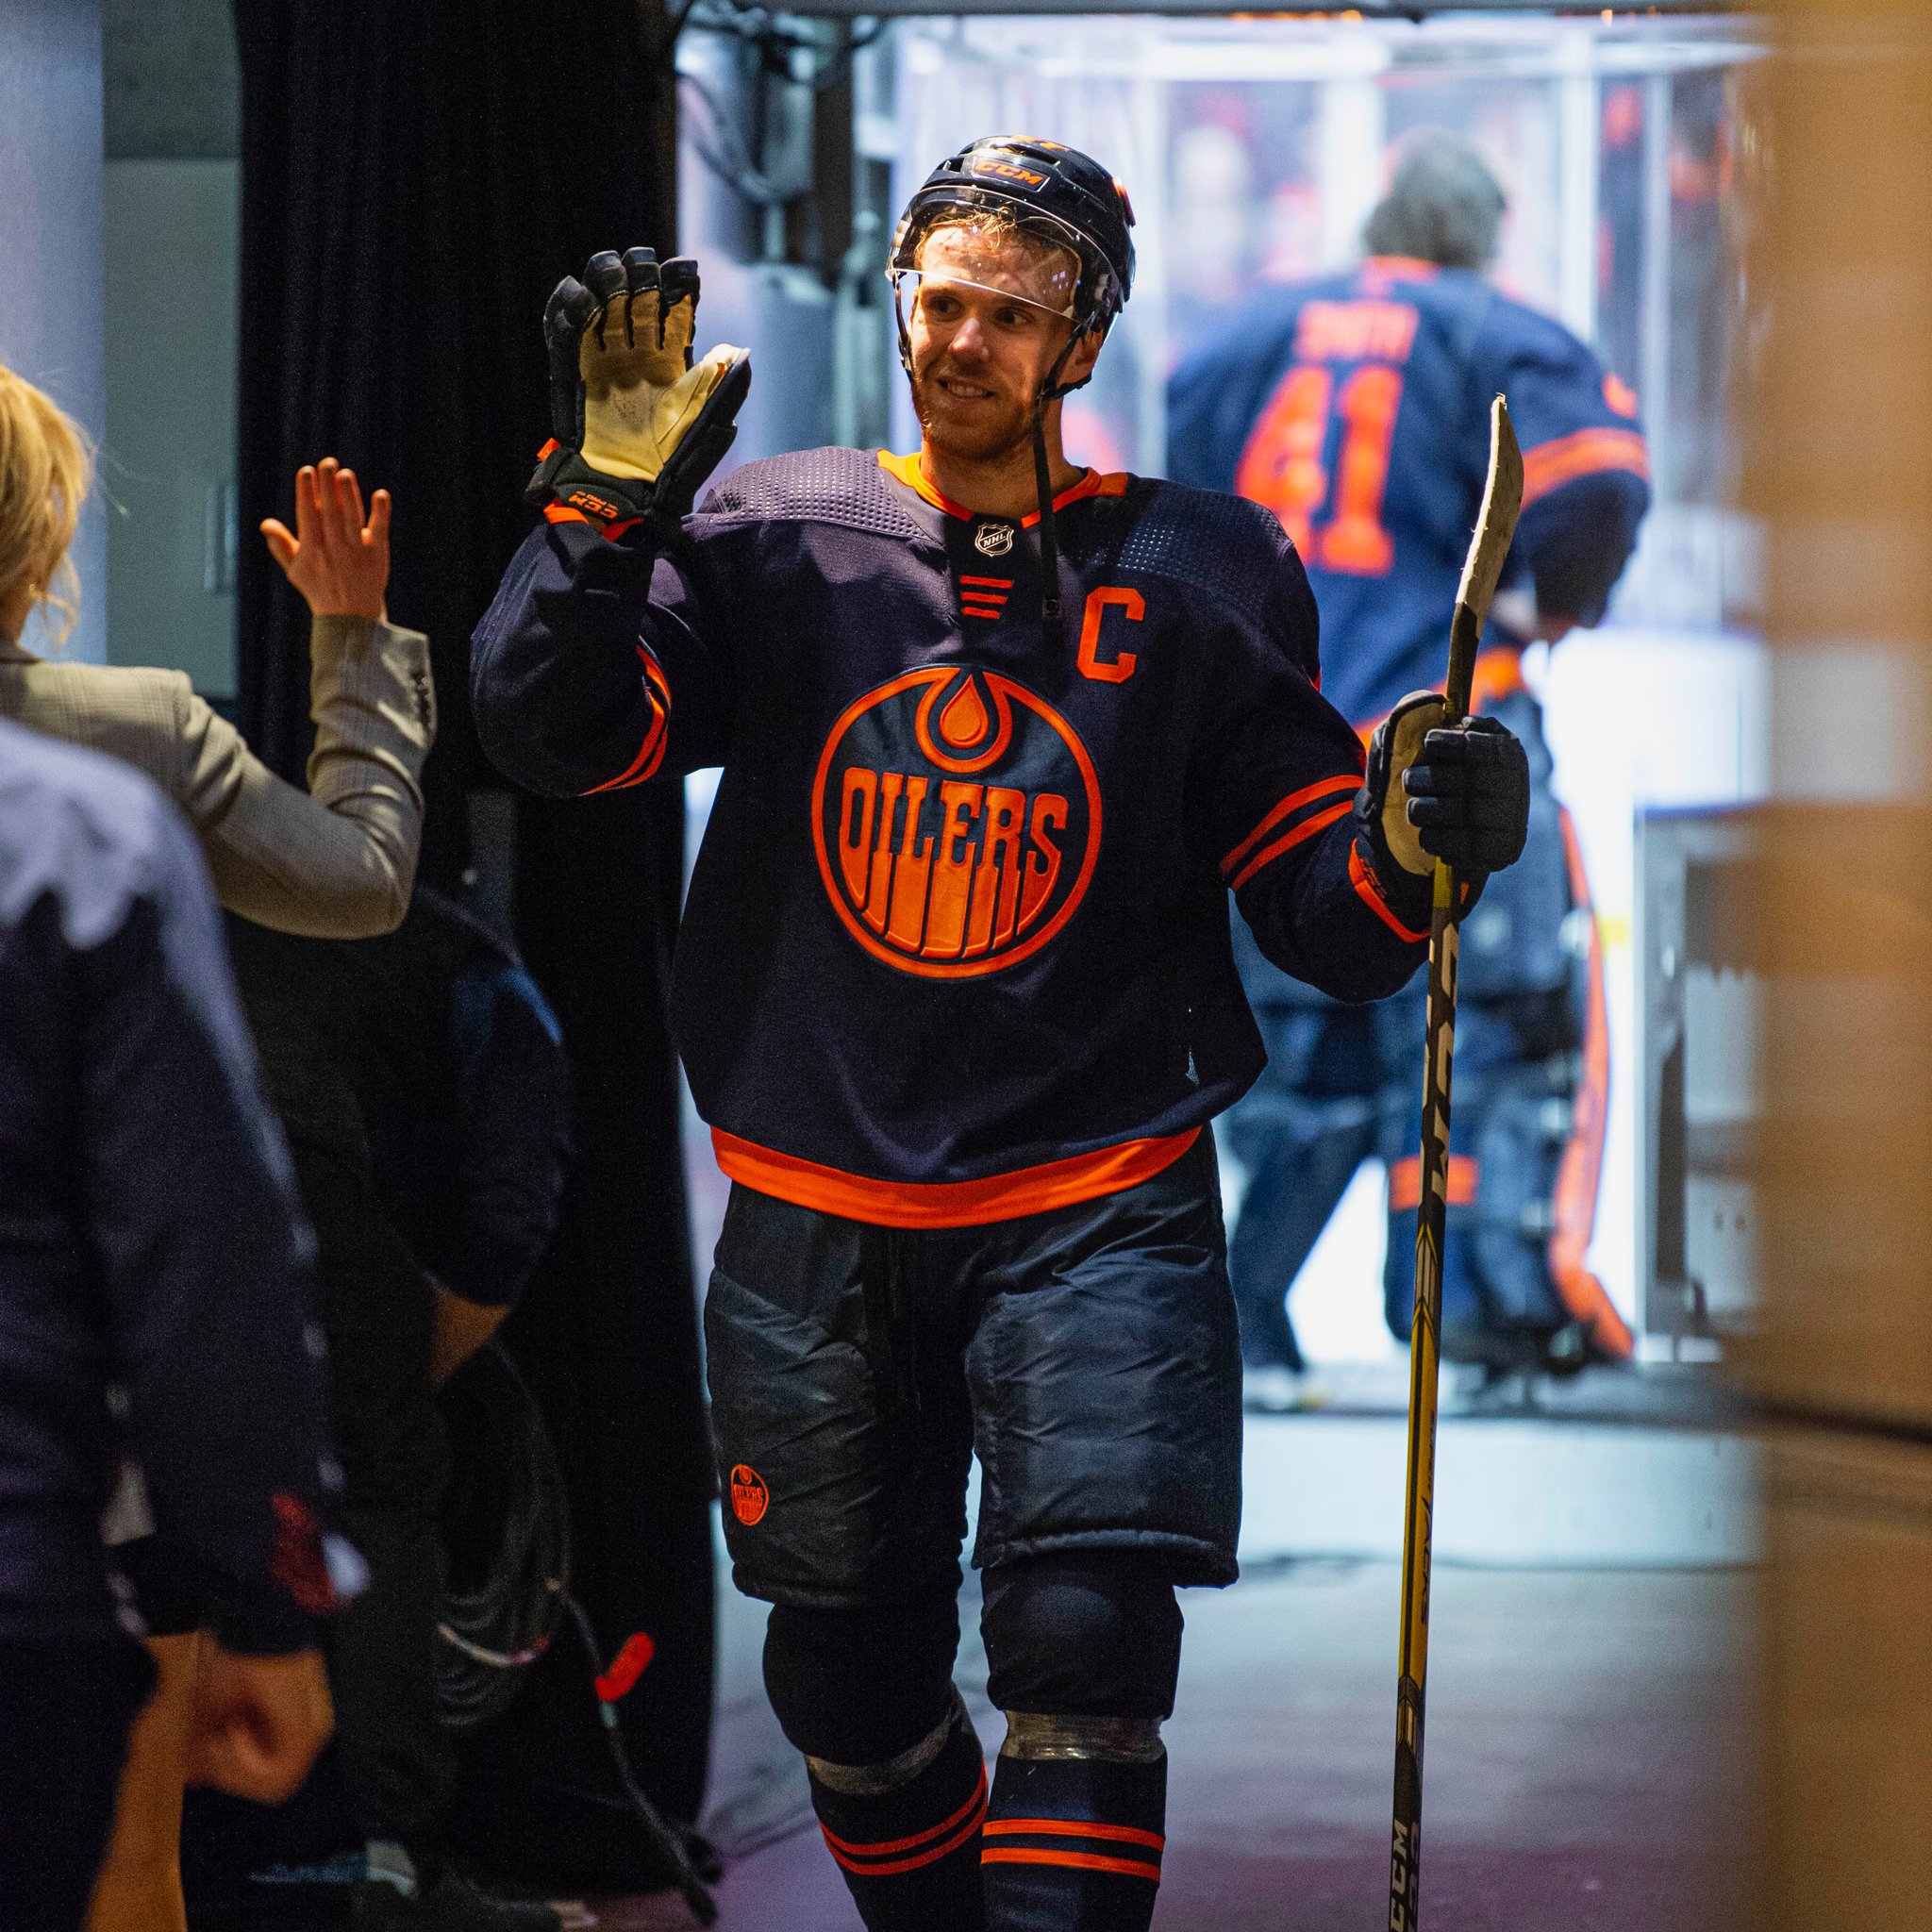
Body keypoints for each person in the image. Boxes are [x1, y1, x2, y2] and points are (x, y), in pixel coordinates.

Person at [470, 136, 1532, 1932]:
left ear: (1084, 336)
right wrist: (593, 514)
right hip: (816, 1198)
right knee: (847, 1677)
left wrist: (1415, 841)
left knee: (1082, 1634)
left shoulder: (1198, 570)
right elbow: (557, 734)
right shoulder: (761, 531)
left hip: (1093, 1195)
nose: (960, 341)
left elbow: (1329, 921)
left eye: (1011, 312)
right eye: (939, 302)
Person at [0, 363, 435, 1932]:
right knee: (126, 1872)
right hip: (54, 1489)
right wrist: (353, 640)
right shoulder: (123, 751)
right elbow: (365, 879)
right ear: (35, 551)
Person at [1167, 131, 1646, 1397]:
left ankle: (1246, 1314)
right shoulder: (1497, 330)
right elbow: (1604, 482)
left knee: (1304, 1057)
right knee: (1482, 1029)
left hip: (1271, 740)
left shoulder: (1240, 334)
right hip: (1438, 735)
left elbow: (1165, 491)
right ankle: (1465, 1313)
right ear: (1479, 232)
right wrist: (1557, 605)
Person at [0, 717, 341, 1932]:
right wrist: (267, 1593)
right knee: (127, 1864)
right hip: (34, 1559)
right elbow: (204, 1258)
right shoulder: (83, 822)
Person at [223, 890, 572, 1931]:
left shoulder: (291, 910)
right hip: (286, 1144)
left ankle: (181, 1827)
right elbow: (506, 1228)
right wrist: (389, 1389)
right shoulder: (508, 1004)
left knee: (151, 1491)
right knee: (383, 1489)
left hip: (127, 1119)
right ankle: (396, 1860)